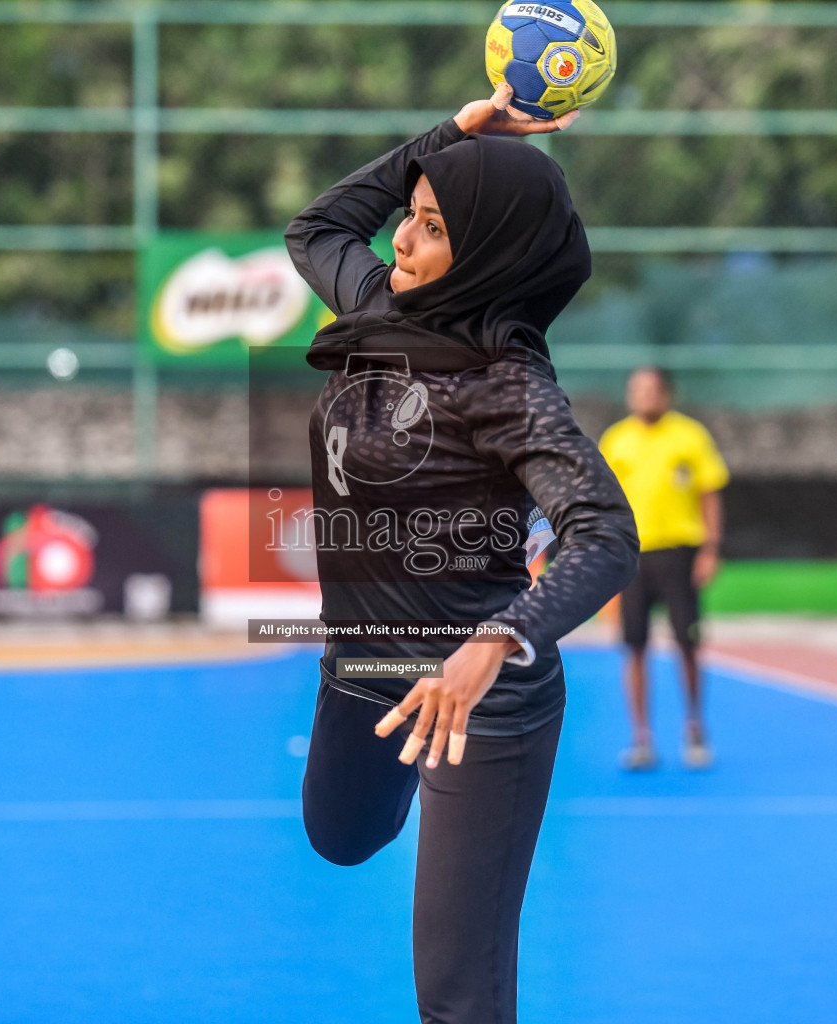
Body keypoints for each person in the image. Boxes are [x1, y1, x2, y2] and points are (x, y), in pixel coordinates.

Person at [285, 84, 639, 1024]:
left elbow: (605, 534)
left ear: (483, 256)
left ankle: (467, 821)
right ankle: (432, 809)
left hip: (486, 699)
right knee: (339, 835)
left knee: (458, 990)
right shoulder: (377, 313)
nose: (400, 240)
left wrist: (499, 641)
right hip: (364, 664)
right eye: (409, 216)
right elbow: (317, 229)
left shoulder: (507, 387)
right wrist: (452, 135)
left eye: (432, 229)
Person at [598, 366, 728, 770]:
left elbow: (710, 493)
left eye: (652, 389)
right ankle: (641, 740)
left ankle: (694, 729)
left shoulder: (690, 435)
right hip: (631, 557)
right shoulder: (616, 439)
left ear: (667, 394)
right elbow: (602, 503)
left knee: (687, 644)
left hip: (680, 555)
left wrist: (710, 549)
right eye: (637, 389)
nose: (644, 396)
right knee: (634, 647)